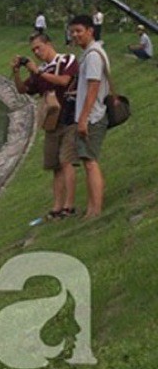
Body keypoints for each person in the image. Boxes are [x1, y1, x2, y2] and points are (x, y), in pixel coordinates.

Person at [12, 33, 79, 219]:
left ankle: (69, 205)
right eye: (33, 50)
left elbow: (65, 81)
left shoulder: (66, 60)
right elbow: (22, 90)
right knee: (55, 166)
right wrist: (17, 72)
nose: (36, 52)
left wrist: (39, 72)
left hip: (69, 118)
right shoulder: (39, 71)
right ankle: (56, 207)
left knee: (67, 161)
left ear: (48, 44)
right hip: (51, 123)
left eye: (38, 47)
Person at [69, 15, 110, 218]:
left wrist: (83, 119)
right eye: (73, 32)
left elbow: (93, 88)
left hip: (92, 118)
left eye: (79, 31)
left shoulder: (93, 55)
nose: (75, 35)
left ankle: (95, 211)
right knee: (87, 162)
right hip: (88, 116)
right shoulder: (89, 54)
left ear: (90, 31)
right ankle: (92, 207)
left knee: (91, 162)